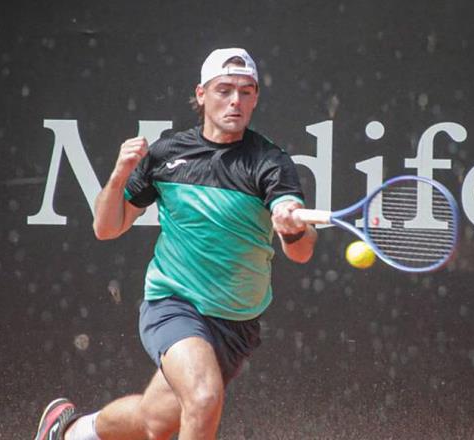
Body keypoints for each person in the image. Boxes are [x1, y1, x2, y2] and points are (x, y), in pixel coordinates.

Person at [34, 47, 317, 440]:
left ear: (255, 98)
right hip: (174, 303)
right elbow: (106, 227)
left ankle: (69, 432)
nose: (235, 101)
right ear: (201, 94)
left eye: (246, 92)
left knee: (155, 419)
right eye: (224, 90)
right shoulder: (167, 155)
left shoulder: (270, 162)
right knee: (203, 398)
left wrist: (291, 227)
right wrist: (119, 174)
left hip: (236, 322)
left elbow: (302, 252)